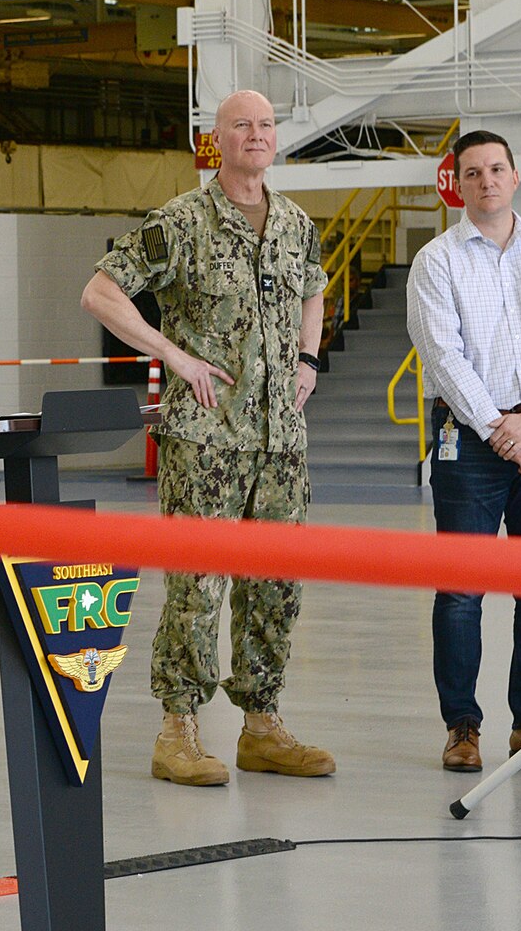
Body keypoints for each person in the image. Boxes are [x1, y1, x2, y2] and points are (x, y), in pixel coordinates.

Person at [81, 90, 333, 786]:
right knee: (198, 585)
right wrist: (176, 357)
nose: (256, 134)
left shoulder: (293, 223)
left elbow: (314, 286)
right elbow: (102, 293)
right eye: (241, 125)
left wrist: (309, 360)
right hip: (208, 441)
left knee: (277, 585)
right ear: (215, 140)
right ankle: (177, 729)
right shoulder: (182, 222)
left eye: (266, 124)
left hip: (281, 439)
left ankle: (262, 725)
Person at [407, 130, 521, 774]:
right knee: (461, 591)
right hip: (469, 437)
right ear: (456, 185)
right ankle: (462, 726)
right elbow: (444, 357)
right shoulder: (437, 262)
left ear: (516, 176)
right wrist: (502, 431)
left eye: (497, 169)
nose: (486, 180)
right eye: (473, 172)